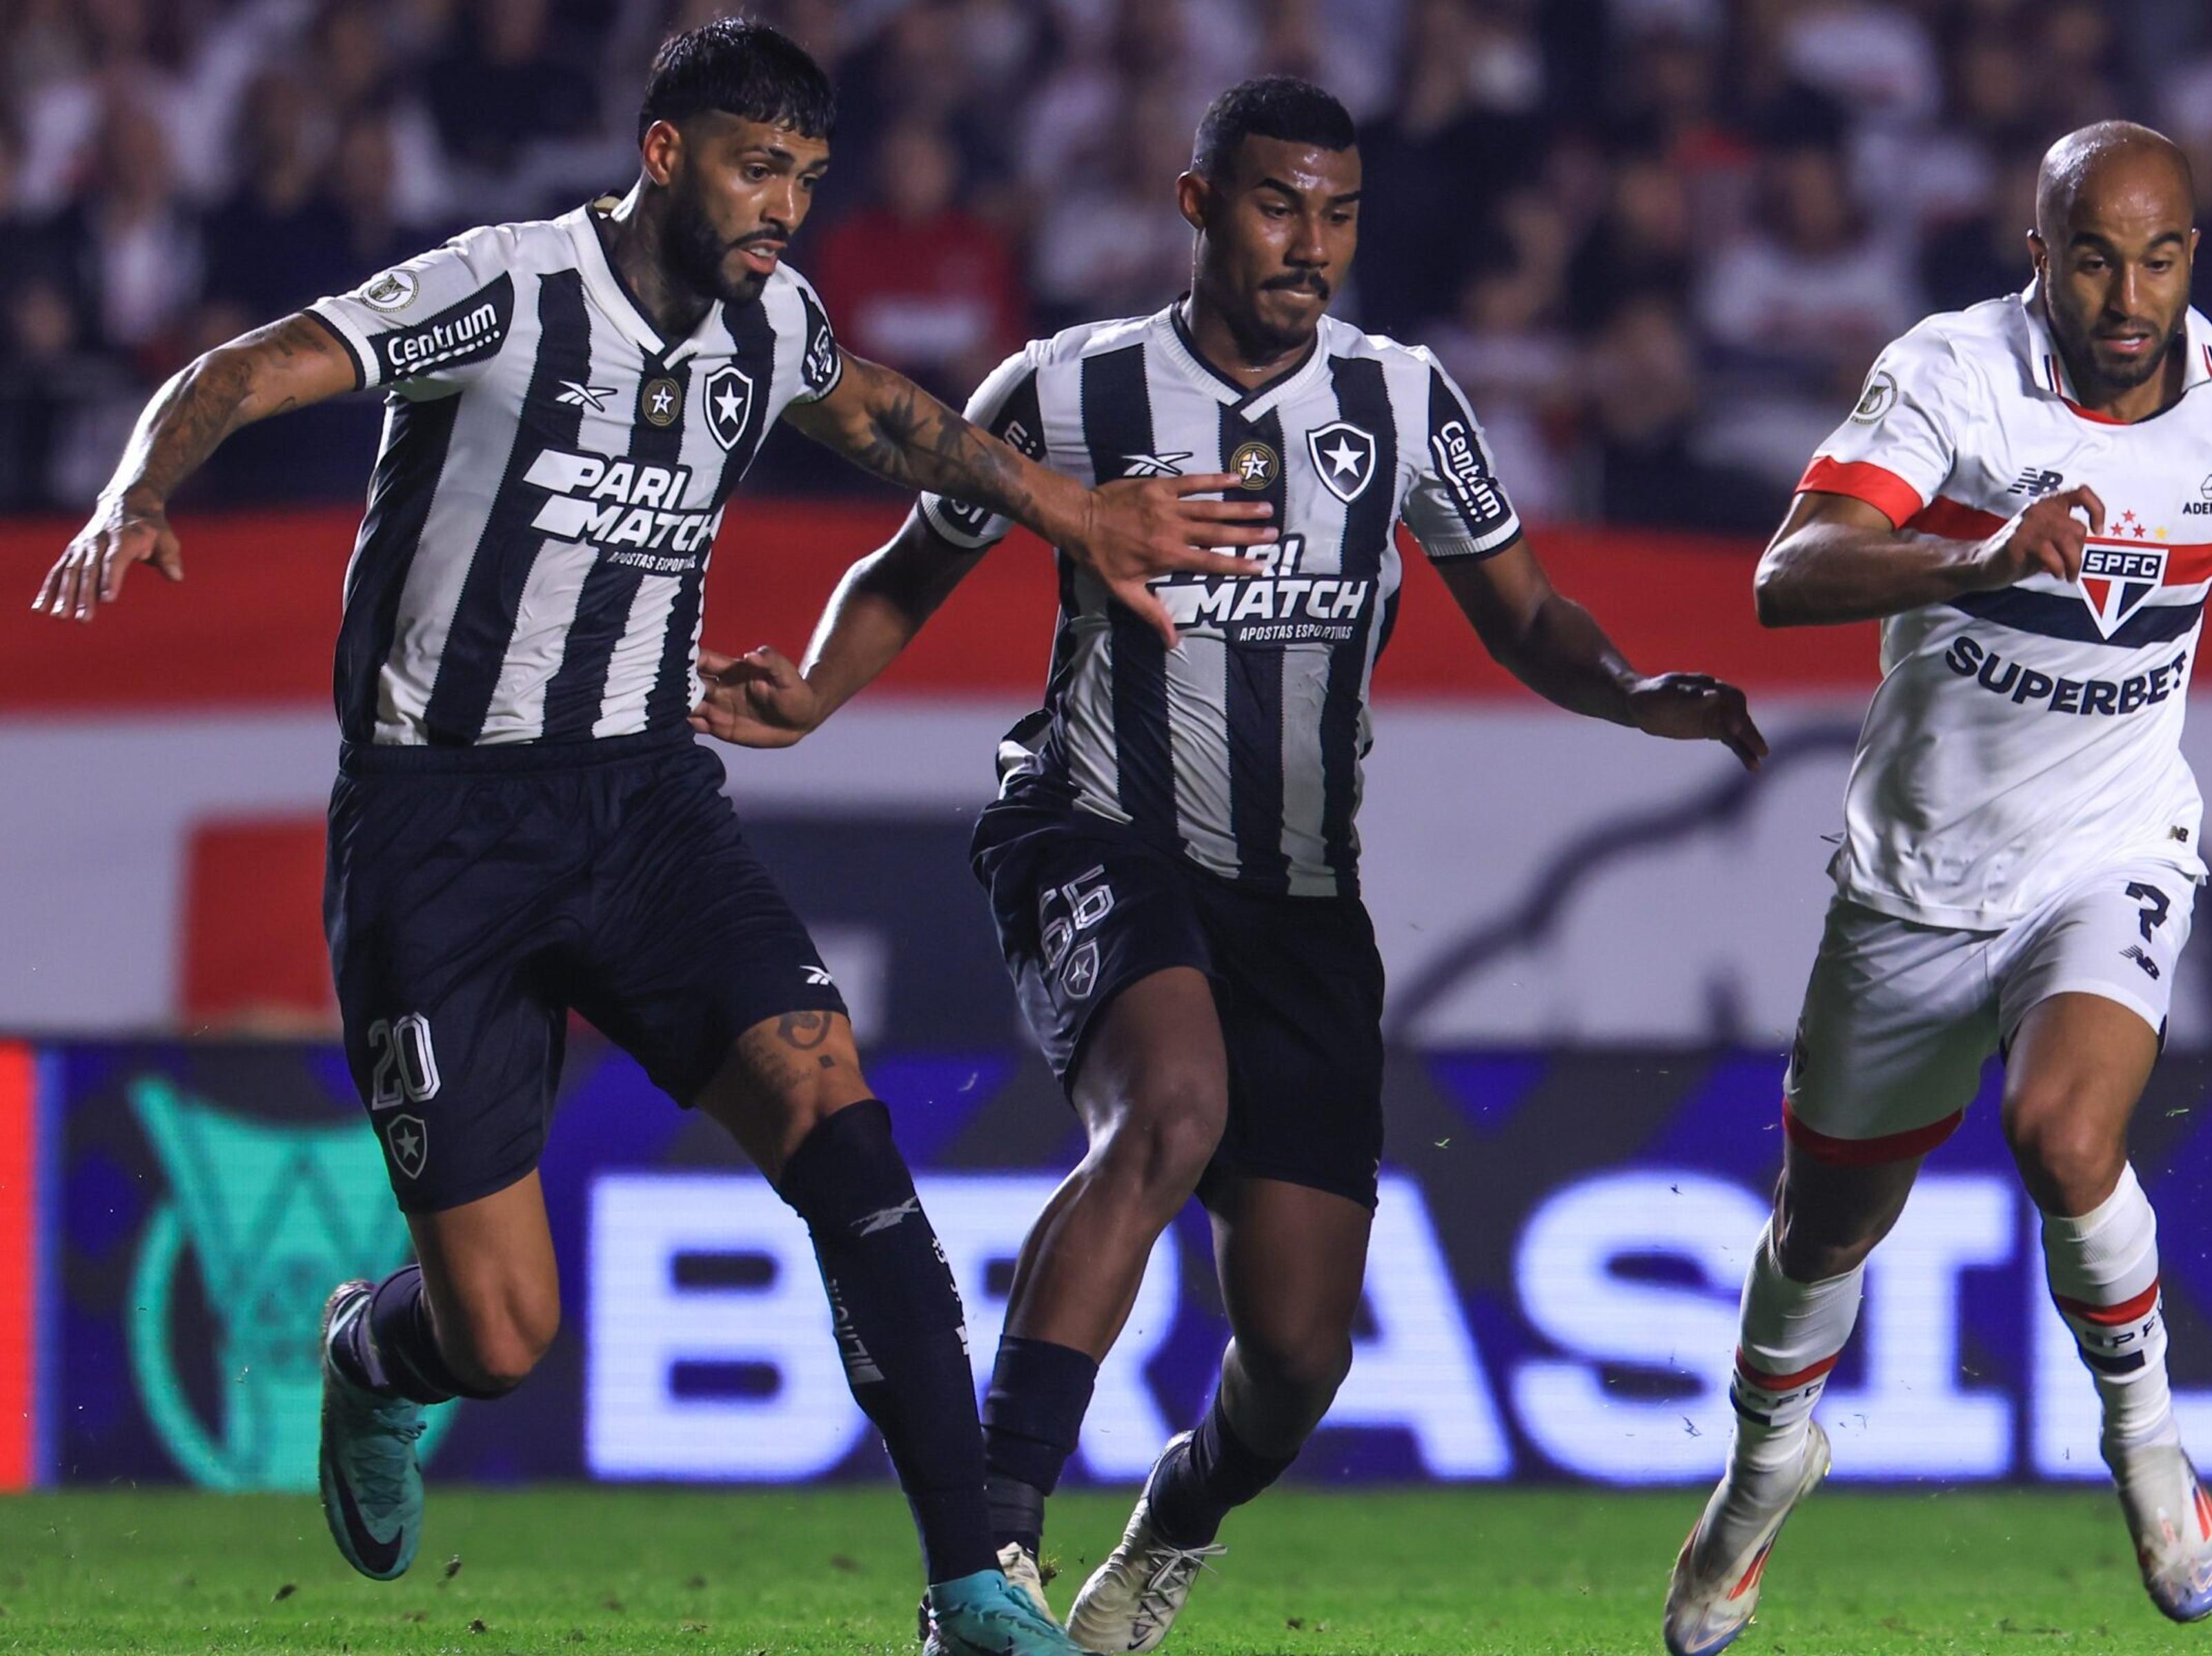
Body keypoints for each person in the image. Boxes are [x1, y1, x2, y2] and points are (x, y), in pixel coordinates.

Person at [31, 21, 1271, 1656]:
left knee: (841, 1118)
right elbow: (248, 369)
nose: (787, 208)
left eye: (811, 181)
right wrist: (141, 487)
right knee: (501, 1330)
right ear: (669, 152)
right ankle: (373, 1357)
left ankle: (971, 1580)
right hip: (438, 832)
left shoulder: (770, 322)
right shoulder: (504, 287)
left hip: (644, 805)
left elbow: (893, 418)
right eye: (762, 169)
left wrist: (1083, 513)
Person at [692, 75, 1768, 1654]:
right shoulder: (1069, 386)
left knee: (1301, 1353)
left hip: (1301, 902)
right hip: (1094, 826)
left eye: (1336, 214)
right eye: (1278, 206)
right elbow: (918, 557)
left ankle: (1176, 1520)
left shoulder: (1399, 402)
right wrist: (817, 691)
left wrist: (1630, 690)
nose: (1308, 244)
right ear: (1199, 205)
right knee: (1169, 1112)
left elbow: (1525, 610)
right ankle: (987, 1555)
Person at [1663, 121, 2212, 1656]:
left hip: (2114, 845)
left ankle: (2146, 1445)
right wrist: (1975, 556)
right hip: (1918, 878)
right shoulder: (1953, 376)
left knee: (2065, 1136)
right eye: (2094, 257)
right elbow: (1788, 573)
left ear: (2196, 252)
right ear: (2038, 252)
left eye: (2162, 255)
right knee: (1822, 1232)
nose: (2131, 295)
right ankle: (1762, 1473)